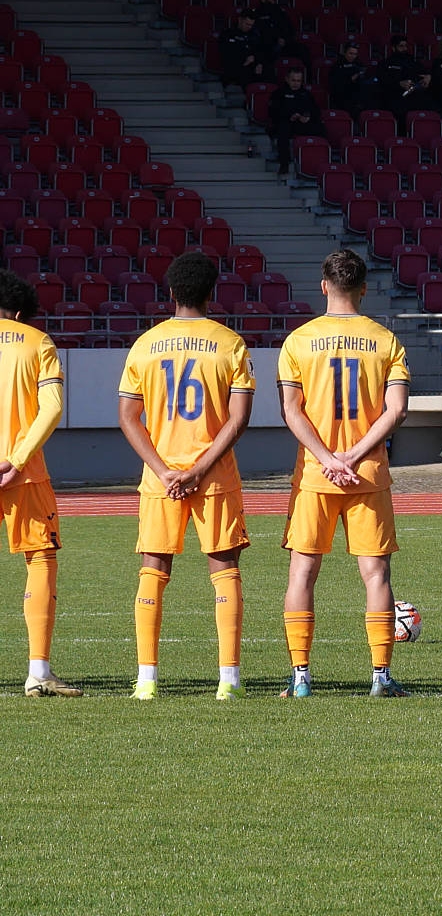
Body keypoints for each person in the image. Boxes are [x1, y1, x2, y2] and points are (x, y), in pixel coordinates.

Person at [116, 253, 254, 701]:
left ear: (171, 292)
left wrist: (164, 471)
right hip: (214, 477)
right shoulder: (230, 343)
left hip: (161, 479)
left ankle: (147, 680)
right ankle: (228, 681)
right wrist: (199, 469)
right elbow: (238, 419)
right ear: (212, 293)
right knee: (224, 568)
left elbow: (128, 416)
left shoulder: (145, 344)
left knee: (153, 568)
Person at [276, 250, 412, 698]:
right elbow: (397, 410)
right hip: (367, 472)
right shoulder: (386, 341)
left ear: (323, 286)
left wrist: (328, 458)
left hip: (316, 475)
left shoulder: (298, 341)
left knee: (302, 573)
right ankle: (380, 677)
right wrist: (352, 456)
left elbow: (291, 410)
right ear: (364, 289)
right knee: (376, 575)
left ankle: (300, 678)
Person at [0, 270, 72, 697]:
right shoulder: (37, 342)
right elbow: (52, 408)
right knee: (40, 559)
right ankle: (38, 671)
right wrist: (17, 458)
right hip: (22, 473)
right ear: (20, 312)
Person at [267, 67, 323, 179]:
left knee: (320, 128)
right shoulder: (278, 93)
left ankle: (318, 162)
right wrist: (289, 116)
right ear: (287, 79)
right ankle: (284, 164)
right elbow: (273, 111)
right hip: (285, 122)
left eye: (299, 81)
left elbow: (315, 110)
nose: (296, 83)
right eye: (293, 80)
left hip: (301, 123)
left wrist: (307, 117)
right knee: (282, 131)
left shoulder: (306, 94)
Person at [245, 0, 305, 67]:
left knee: (302, 49)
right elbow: (256, 33)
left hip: (284, 44)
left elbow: (290, 28)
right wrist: (276, 40)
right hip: (267, 46)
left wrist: (285, 39)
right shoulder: (256, 13)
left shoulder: (279, 11)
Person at [376, 35, 425, 114]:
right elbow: (382, 81)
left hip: (413, 95)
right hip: (393, 97)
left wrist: (428, 76)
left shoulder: (412, 61)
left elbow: (423, 72)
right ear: (393, 48)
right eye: (401, 46)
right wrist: (398, 84)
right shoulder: (385, 63)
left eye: (406, 46)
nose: (405, 49)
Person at [217, 13, 267, 87]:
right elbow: (225, 54)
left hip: (250, 70)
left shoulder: (254, 35)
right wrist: (245, 61)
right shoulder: (227, 34)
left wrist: (259, 62)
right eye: (247, 24)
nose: (249, 27)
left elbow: (259, 52)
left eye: (251, 25)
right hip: (232, 69)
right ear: (240, 20)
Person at [329, 41, 372, 117]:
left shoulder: (358, 64)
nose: (353, 56)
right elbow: (336, 85)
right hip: (342, 98)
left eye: (355, 54)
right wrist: (352, 78)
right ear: (344, 53)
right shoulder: (337, 66)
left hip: (357, 97)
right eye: (350, 53)